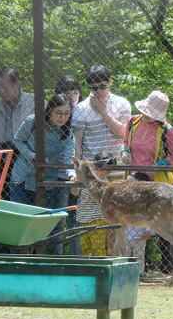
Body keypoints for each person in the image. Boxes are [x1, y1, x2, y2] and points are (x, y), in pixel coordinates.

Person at [120, 90, 173, 274]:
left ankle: (167, 266)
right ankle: (136, 265)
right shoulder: (133, 121)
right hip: (132, 177)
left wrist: (158, 165)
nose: (148, 116)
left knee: (160, 222)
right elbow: (124, 141)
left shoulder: (167, 130)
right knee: (133, 220)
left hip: (156, 180)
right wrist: (124, 151)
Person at [11, 94, 75, 254]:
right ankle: (17, 261)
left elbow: (68, 158)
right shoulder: (33, 121)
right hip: (23, 176)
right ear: (49, 111)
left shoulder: (68, 131)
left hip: (49, 179)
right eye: (58, 112)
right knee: (20, 221)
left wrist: (72, 175)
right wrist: (33, 155)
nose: (63, 117)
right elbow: (18, 140)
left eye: (67, 113)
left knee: (50, 222)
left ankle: (48, 260)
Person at [0, 66, 36, 199]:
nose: (1, 91)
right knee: (3, 198)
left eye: (5, 87)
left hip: (26, 157)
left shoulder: (35, 103)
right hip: (2, 157)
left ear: (18, 84)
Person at [72, 64, 131, 161]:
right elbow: (77, 143)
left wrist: (103, 113)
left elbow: (124, 134)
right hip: (92, 168)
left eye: (102, 86)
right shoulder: (80, 108)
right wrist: (77, 169)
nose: (98, 91)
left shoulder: (122, 103)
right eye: (94, 88)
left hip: (118, 165)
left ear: (110, 81)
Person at [55, 75, 84, 255]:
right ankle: (56, 256)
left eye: (75, 91)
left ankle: (77, 257)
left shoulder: (85, 112)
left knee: (78, 218)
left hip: (80, 174)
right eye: (66, 91)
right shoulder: (54, 115)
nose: (72, 95)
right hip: (58, 174)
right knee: (59, 218)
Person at [71, 151, 114, 257]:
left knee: (98, 248)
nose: (109, 172)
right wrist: (74, 183)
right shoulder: (83, 177)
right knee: (85, 249)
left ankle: (101, 270)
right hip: (83, 218)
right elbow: (75, 192)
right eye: (107, 169)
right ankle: (88, 270)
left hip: (98, 219)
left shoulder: (104, 181)